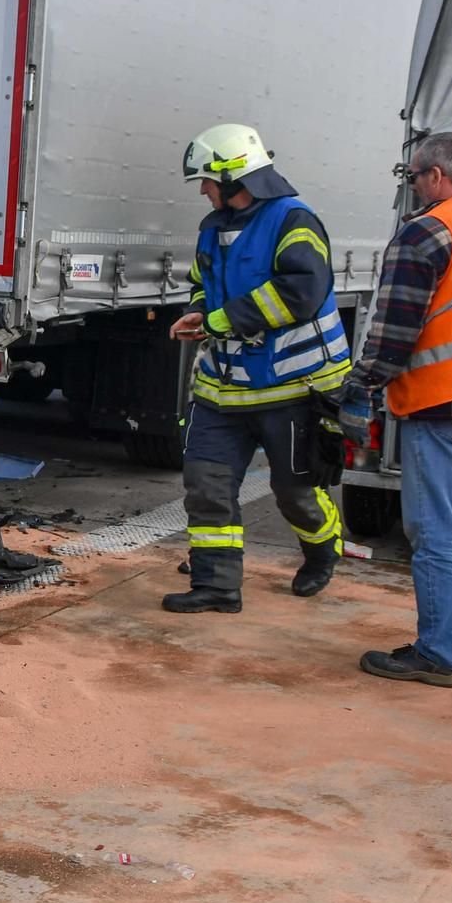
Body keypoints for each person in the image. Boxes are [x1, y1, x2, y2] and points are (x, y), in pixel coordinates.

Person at [162, 124, 352, 613]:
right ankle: (216, 586)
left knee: (295, 492)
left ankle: (322, 549)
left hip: (291, 386)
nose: (203, 190)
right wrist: (201, 312)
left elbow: (301, 293)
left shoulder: (294, 221)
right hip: (221, 390)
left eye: (206, 180)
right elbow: (202, 280)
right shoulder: (212, 227)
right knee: (206, 486)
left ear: (233, 176)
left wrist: (220, 321)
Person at [342, 133, 452, 687]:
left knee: (437, 533)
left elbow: (394, 329)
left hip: (441, 401)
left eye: (411, 176)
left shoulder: (425, 232)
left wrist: (361, 386)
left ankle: (438, 654)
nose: (412, 187)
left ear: (436, 176)